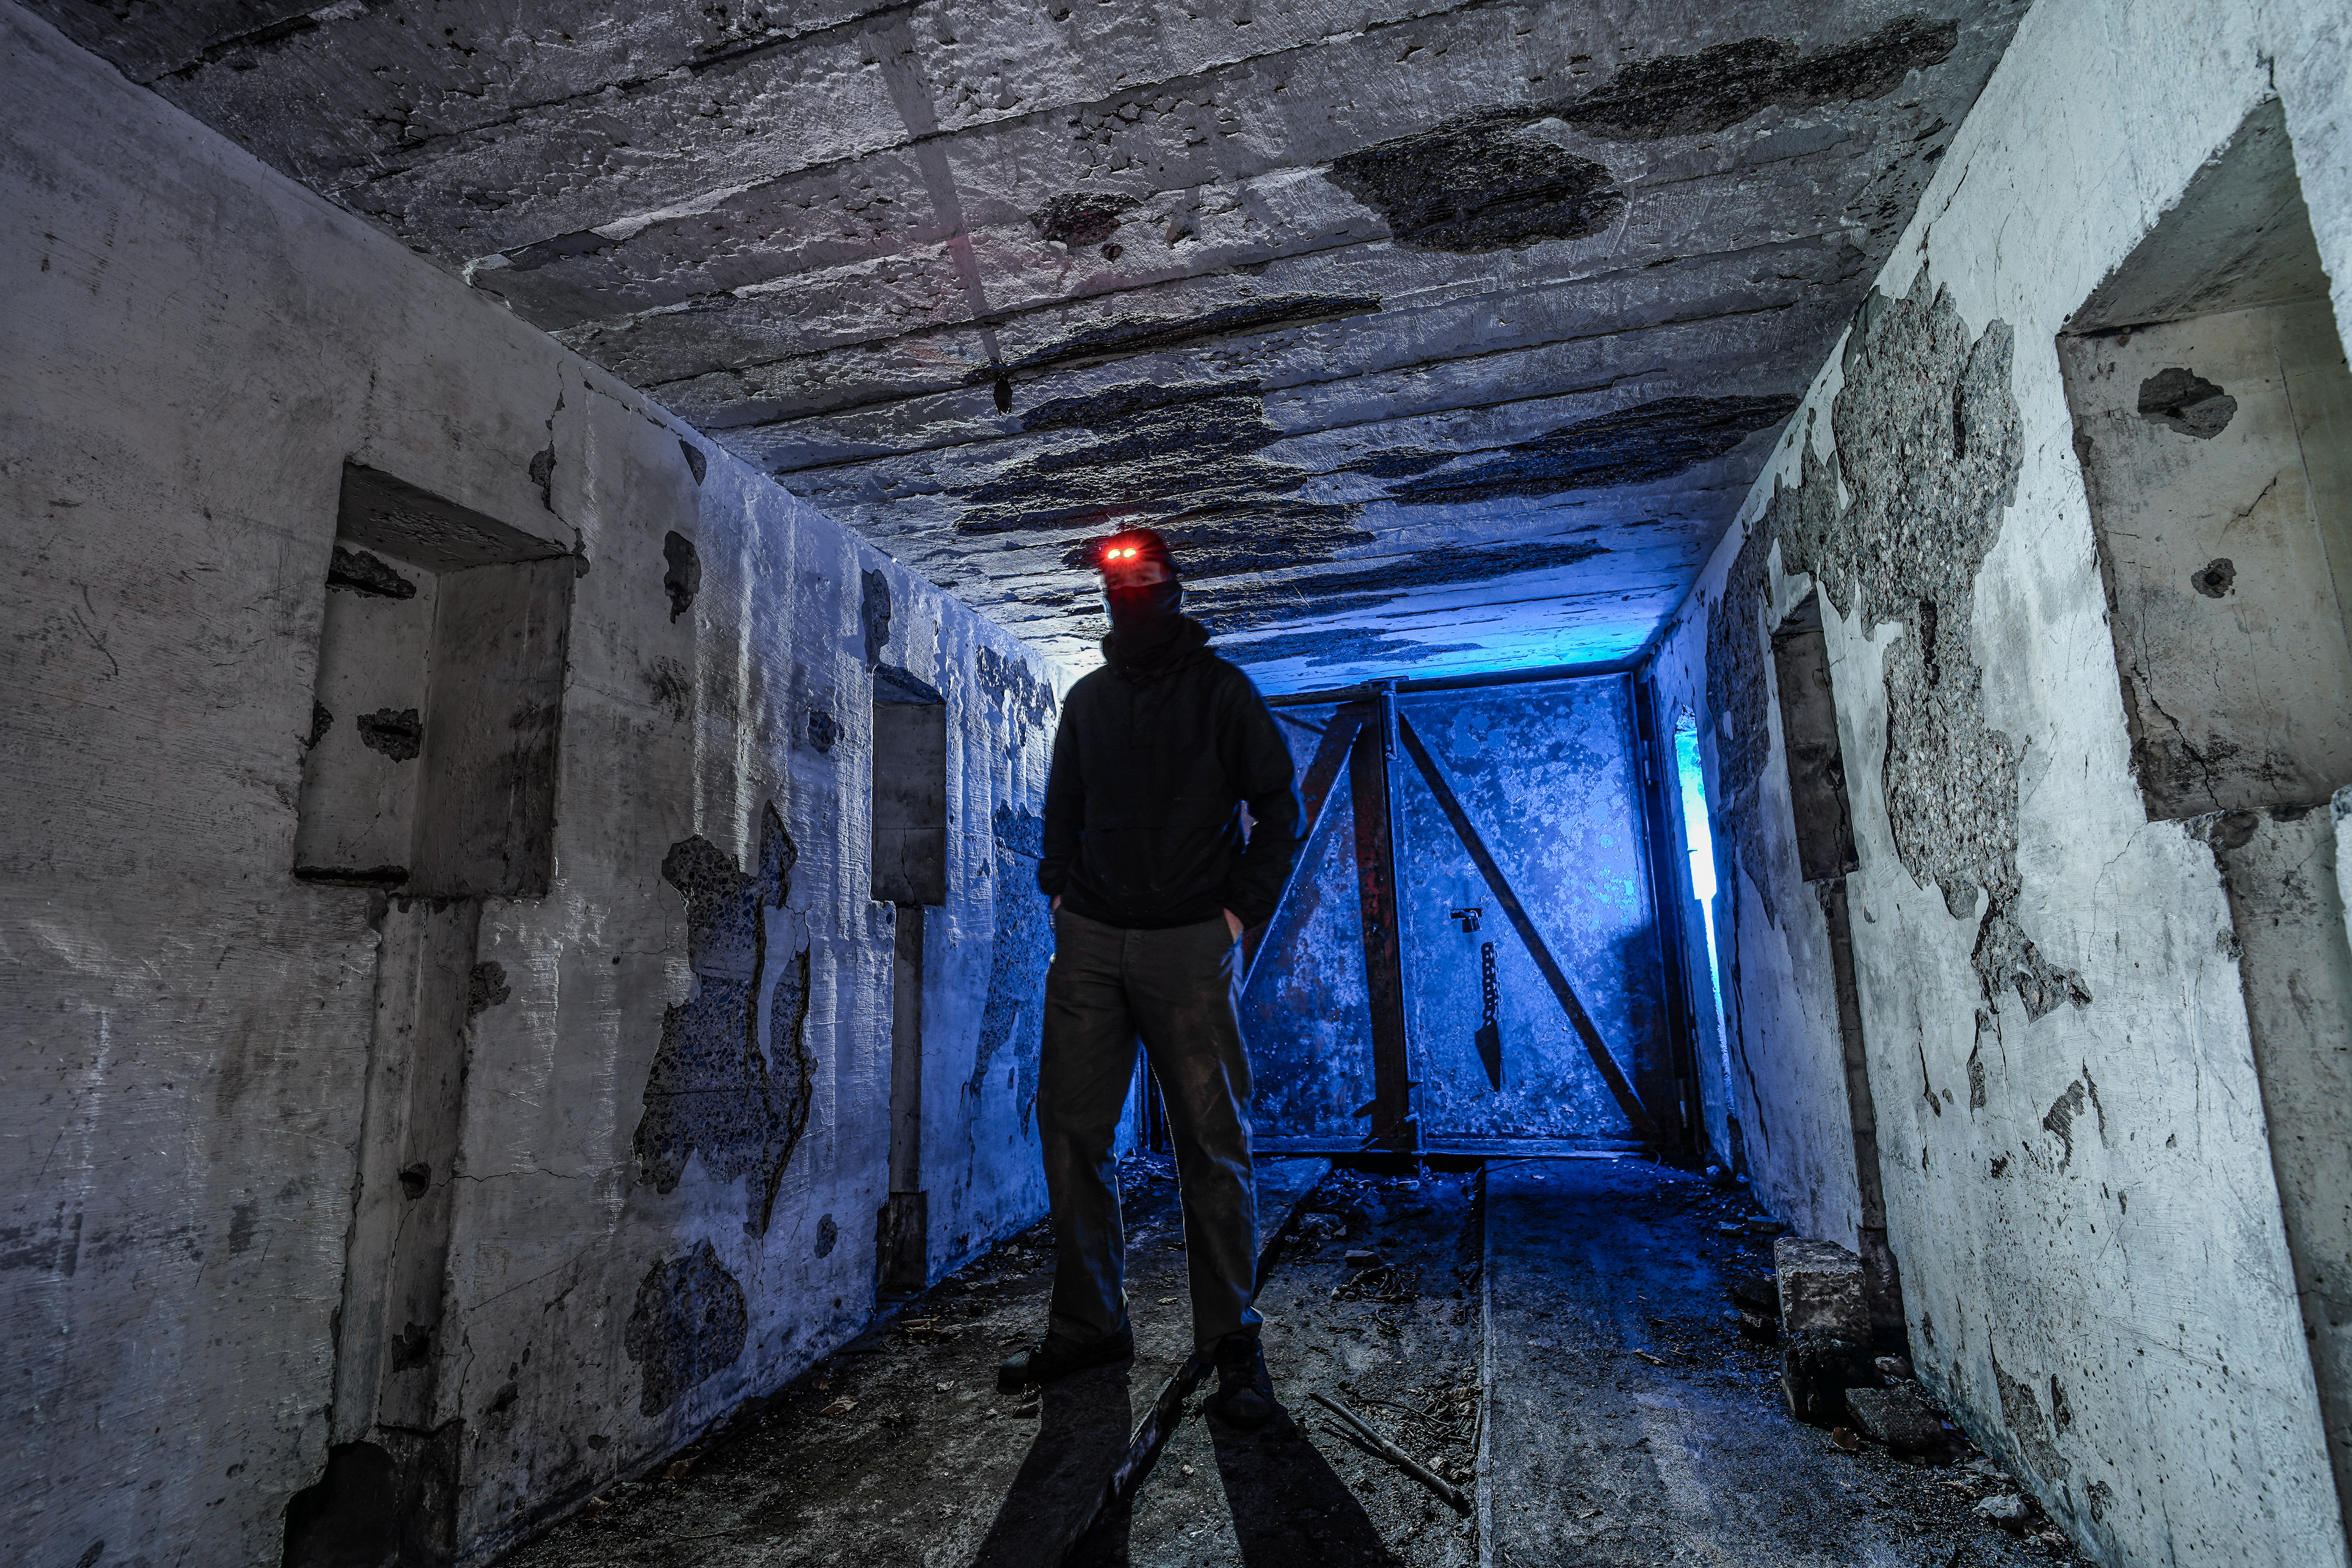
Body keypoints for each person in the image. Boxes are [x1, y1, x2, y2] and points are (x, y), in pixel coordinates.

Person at [997, 528, 1303, 1427]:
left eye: (1144, 579)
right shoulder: (1088, 701)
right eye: (1115, 583)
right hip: (1091, 941)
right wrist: (1059, 889)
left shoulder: (1223, 693)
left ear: (1174, 585)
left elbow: (1278, 806)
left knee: (1211, 1142)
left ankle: (1229, 1337)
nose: (1128, 595)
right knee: (1071, 1128)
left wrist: (1238, 912)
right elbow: (1064, 804)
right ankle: (1090, 1323)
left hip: (1187, 944)